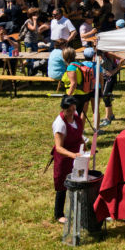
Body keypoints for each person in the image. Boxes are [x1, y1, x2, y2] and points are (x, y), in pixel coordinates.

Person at [51, 95, 85, 224]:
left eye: (73, 110)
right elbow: (59, 148)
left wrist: (83, 143)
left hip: (77, 155)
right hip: (64, 158)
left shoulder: (75, 116)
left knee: (79, 180)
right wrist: (73, 155)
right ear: (63, 109)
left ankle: (79, 208)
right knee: (62, 185)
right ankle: (58, 214)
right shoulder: (59, 124)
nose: (71, 113)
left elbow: (78, 133)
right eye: (68, 111)